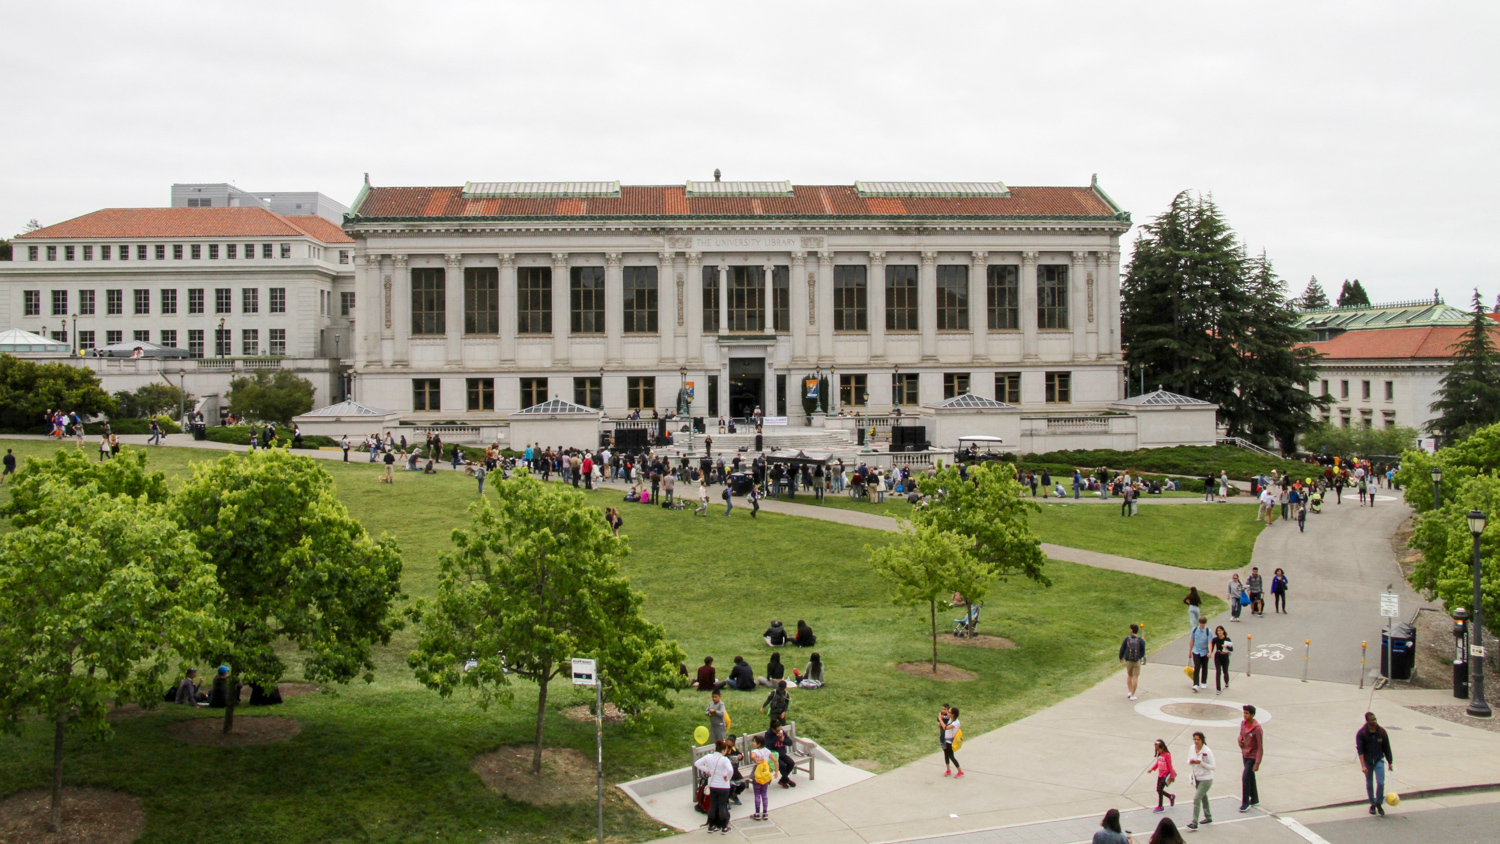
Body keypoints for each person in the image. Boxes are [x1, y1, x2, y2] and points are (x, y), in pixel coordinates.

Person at [1356, 711, 1394, 815]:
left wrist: (1390, 761)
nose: (1374, 721)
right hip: (1368, 761)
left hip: (1378, 759)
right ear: (1367, 721)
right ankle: (1372, 804)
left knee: (1381, 782)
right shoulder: (1362, 733)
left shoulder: (1381, 731)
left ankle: (1379, 803)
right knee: (1369, 783)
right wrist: (1363, 765)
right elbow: (1360, 751)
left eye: (1375, 719)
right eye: (1372, 720)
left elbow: (1386, 747)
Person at [693, 739, 735, 833]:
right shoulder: (724, 759)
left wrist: (706, 770)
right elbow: (730, 770)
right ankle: (724, 827)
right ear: (723, 750)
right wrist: (727, 777)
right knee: (722, 806)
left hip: (712, 785)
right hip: (723, 786)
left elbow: (697, 763)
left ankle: (711, 825)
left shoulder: (708, 757)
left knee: (713, 805)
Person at [1186, 731, 1215, 831]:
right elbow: (1188, 760)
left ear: (1202, 740)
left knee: (1197, 798)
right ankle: (1208, 817)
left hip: (1206, 779)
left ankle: (1194, 823)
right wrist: (1191, 761)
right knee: (1203, 797)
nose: (1196, 741)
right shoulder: (1191, 748)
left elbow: (1213, 766)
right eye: (1195, 739)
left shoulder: (1207, 751)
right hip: (1197, 778)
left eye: (1198, 739)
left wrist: (1201, 763)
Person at [1238, 704, 1263, 812]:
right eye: (1244, 713)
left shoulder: (1257, 729)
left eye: (1247, 713)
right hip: (1245, 754)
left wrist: (1257, 763)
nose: (1245, 715)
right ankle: (1254, 798)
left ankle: (1245, 802)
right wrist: (1239, 739)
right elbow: (1241, 735)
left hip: (1253, 756)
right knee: (1250, 777)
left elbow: (1260, 747)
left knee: (1245, 777)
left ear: (1252, 715)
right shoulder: (1243, 724)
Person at [749, 734, 774, 820]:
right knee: (764, 793)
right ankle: (765, 812)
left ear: (758, 744)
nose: (753, 743)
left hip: (757, 773)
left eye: (754, 742)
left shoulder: (755, 751)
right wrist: (776, 771)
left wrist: (756, 761)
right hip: (765, 773)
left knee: (757, 794)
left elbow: (752, 756)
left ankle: (757, 812)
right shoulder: (767, 751)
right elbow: (774, 760)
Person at [1119, 623, 1147, 701]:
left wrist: (1121, 657)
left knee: (1129, 675)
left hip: (1128, 660)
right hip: (1136, 661)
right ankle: (1133, 695)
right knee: (1135, 677)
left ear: (1131, 630)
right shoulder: (1140, 640)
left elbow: (1123, 648)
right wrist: (1139, 657)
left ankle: (1129, 691)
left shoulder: (1127, 639)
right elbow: (1143, 651)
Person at [1148, 739, 1176, 813]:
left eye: (1159, 749)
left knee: (1159, 790)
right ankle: (1170, 797)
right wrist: (1152, 769)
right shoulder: (1160, 755)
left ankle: (1160, 806)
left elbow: (1170, 766)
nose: (1158, 751)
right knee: (1159, 790)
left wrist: (1172, 776)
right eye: (1157, 749)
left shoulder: (1167, 755)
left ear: (1163, 747)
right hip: (1160, 775)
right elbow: (1157, 763)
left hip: (1165, 776)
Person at [765, 721, 797, 788]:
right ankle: (786, 780)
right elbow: (769, 746)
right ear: (773, 730)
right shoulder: (768, 735)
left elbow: (790, 743)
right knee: (782, 765)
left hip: (782, 754)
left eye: (781, 729)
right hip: (774, 756)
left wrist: (783, 740)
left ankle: (783, 780)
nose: (780, 731)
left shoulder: (782, 732)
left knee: (791, 763)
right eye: (778, 730)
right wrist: (776, 738)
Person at [940, 705, 963, 778]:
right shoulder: (951, 719)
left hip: (951, 742)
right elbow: (945, 719)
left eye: (949, 712)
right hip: (947, 740)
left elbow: (946, 728)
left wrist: (940, 719)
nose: (948, 713)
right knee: (946, 754)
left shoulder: (955, 723)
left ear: (953, 714)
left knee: (951, 756)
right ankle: (948, 769)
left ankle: (960, 771)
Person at [1190, 617, 1212, 692]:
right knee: (1197, 666)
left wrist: (1210, 652)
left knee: (1204, 666)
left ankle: (1204, 682)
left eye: (1203, 623)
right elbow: (1192, 640)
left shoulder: (1208, 631)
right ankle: (1195, 684)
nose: (1202, 625)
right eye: (1201, 623)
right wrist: (1190, 651)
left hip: (1204, 651)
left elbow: (1209, 642)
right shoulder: (1195, 630)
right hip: (1196, 651)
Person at [1212, 625, 1233, 695]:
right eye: (1218, 631)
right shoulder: (1215, 639)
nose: (1219, 632)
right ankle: (1218, 689)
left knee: (1225, 671)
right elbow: (1212, 646)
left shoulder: (1227, 639)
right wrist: (1209, 652)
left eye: (1220, 630)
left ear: (1223, 631)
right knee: (1218, 672)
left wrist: (1227, 646)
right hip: (1218, 655)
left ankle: (1226, 682)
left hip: (1225, 656)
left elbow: (1231, 649)